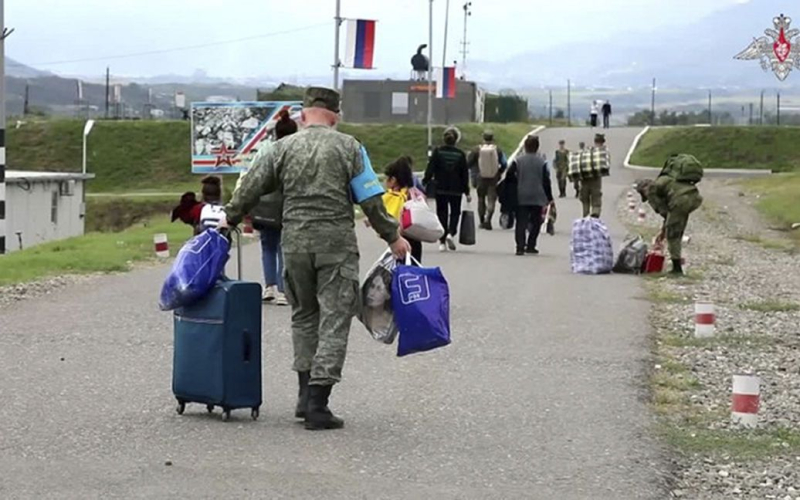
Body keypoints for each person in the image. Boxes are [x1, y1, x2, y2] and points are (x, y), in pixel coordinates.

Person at [222, 87, 410, 431]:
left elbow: (249, 186)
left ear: (304, 115)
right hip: (335, 245)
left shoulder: (281, 148)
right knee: (335, 318)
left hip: (294, 246)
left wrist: (229, 219)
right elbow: (371, 200)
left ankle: (303, 394)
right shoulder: (350, 147)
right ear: (335, 117)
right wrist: (393, 237)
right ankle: (318, 404)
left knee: (303, 315)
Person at [237, 110, 298, 306]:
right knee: (283, 247)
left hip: (264, 207)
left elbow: (251, 177)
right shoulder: (297, 153)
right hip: (288, 206)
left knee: (267, 246)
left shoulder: (265, 151)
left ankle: (269, 287)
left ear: (276, 134)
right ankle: (283, 290)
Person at [635, 154, 704, 275]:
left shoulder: (652, 189)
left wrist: (664, 231)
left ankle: (677, 270)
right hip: (693, 198)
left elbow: (664, 212)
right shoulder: (666, 180)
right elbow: (668, 215)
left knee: (673, 235)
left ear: (643, 189)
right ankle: (677, 265)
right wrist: (663, 230)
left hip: (680, 201)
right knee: (676, 229)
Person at [423, 127, 471, 252]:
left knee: (441, 213)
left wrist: (425, 182)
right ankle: (451, 232)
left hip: (441, 188)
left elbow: (430, 169)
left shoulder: (438, 152)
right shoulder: (460, 155)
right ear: (456, 140)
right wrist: (467, 191)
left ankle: (442, 241)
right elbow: (464, 175)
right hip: (456, 189)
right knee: (455, 212)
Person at [506, 135, 553, 256]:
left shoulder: (518, 161)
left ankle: (520, 247)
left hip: (521, 195)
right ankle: (531, 245)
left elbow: (509, 177)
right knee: (536, 221)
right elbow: (546, 181)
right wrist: (550, 198)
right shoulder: (542, 162)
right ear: (537, 147)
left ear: (525, 147)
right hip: (538, 195)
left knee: (521, 221)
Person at [382, 156, 423, 262]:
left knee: (401, 271)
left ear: (393, 180)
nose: (385, 182)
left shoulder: (396, 197)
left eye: (387, 178)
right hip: (415, 238)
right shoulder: (413, 192)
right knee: (414, 270)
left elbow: (391, 216)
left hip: (401, 241)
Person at [470, 130, 507, 230]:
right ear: (492, 138)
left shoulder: (476, 150)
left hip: (480, 178)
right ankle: (488, 220)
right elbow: (504, 163)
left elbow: (468, 163)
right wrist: (499, 172)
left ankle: (482, 221)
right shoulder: (497, 150)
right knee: (491, 199)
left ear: (483, 138)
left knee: (481, 199)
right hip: (493, 178)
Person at [577, 134, 610, 218]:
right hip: (596, 179)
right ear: (603, 142)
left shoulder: (588, 150)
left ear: (595, 141)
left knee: (585, 201)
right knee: (596, 200)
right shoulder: (604, 151)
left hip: (584, 179)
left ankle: (586, 217)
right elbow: (606, 165)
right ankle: (595, 214)